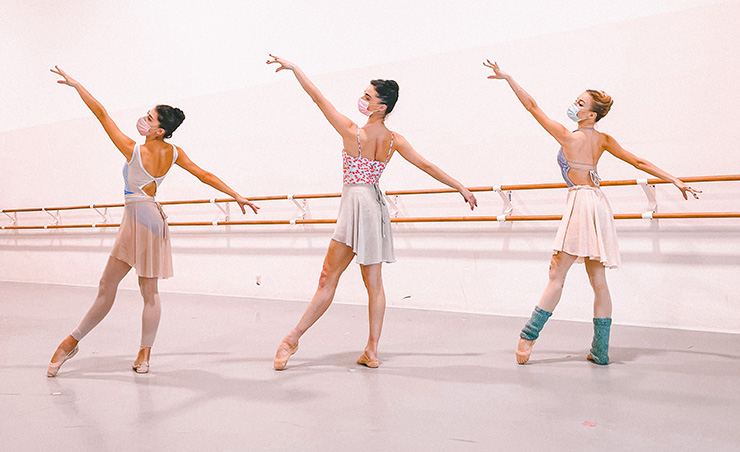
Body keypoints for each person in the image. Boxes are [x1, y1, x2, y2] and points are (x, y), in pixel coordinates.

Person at [267, 55, 478, 370]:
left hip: (357, 205)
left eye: (368, 97)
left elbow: (318, 98)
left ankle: (292, 339)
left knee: (328, 278)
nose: (362, 100)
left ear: (381, 107)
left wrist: (297, 69)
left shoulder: (353, 132)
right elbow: (427, 165)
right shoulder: (395, 141)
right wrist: (459, 186)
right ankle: (371, 350)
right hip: (375, 207)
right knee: (374, 282)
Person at [483, 60, 700, 365]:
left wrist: (508, 78)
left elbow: (532, 107)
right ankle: (600, 350)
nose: (574, 105)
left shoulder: (568, 137)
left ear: (591, 114)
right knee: (597, 280)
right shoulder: (602, 140)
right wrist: (674, 179)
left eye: (580, 103)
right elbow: (639, 162)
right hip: (598, 204)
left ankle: (527, 338)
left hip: (581, 203)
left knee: (556, 275)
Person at [46, 66, 259, 376]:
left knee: (107, 286)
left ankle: (70, 342)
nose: (143, 120)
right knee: (150, 292)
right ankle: (144, 356)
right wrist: (235, 195)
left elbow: (102, 114)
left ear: (159, 130)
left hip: (137, 220)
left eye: (149, 118)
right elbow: (204, 175)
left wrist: (78, 86)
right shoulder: (173, 153)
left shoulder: (134, 150)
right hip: (155, 220)